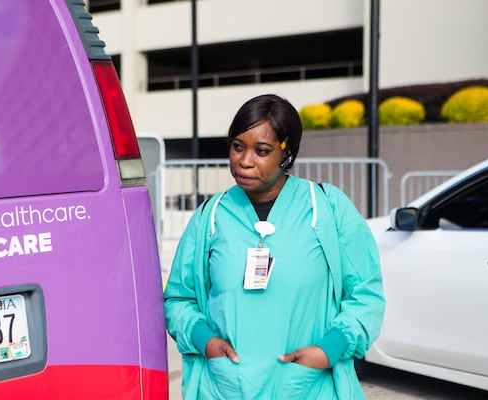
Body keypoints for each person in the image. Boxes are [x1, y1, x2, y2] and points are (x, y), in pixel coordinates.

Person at [164, 94, 385, 399]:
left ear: (287, 153)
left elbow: (366, 294)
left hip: (308, 386)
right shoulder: (209, 216)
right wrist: (206, 342)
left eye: (262, 151)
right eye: (237, 146)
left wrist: (327, 350)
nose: (244, 160)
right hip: (227, 387)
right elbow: (178, 298)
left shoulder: (327, 208)